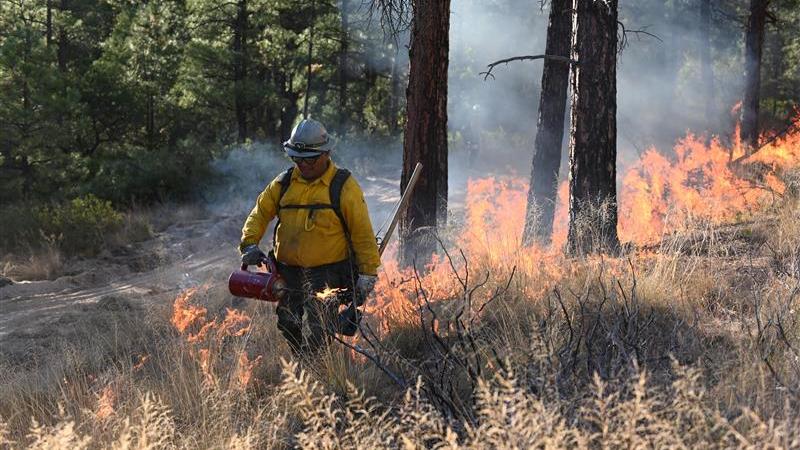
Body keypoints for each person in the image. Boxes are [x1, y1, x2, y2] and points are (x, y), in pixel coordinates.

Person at [239, 118, 381, 355]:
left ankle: (315, 369)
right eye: (297, 158)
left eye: (310, 159)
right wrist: (249, 243)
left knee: (319, 327)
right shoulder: (283, 183)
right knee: (287, 321)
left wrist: (367, 273)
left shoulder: (343, 186)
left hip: (327, 273)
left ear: (326, 153)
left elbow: (362, 233)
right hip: (287, 271)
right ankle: (299, 357)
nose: (303, 165)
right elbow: (260, 213)